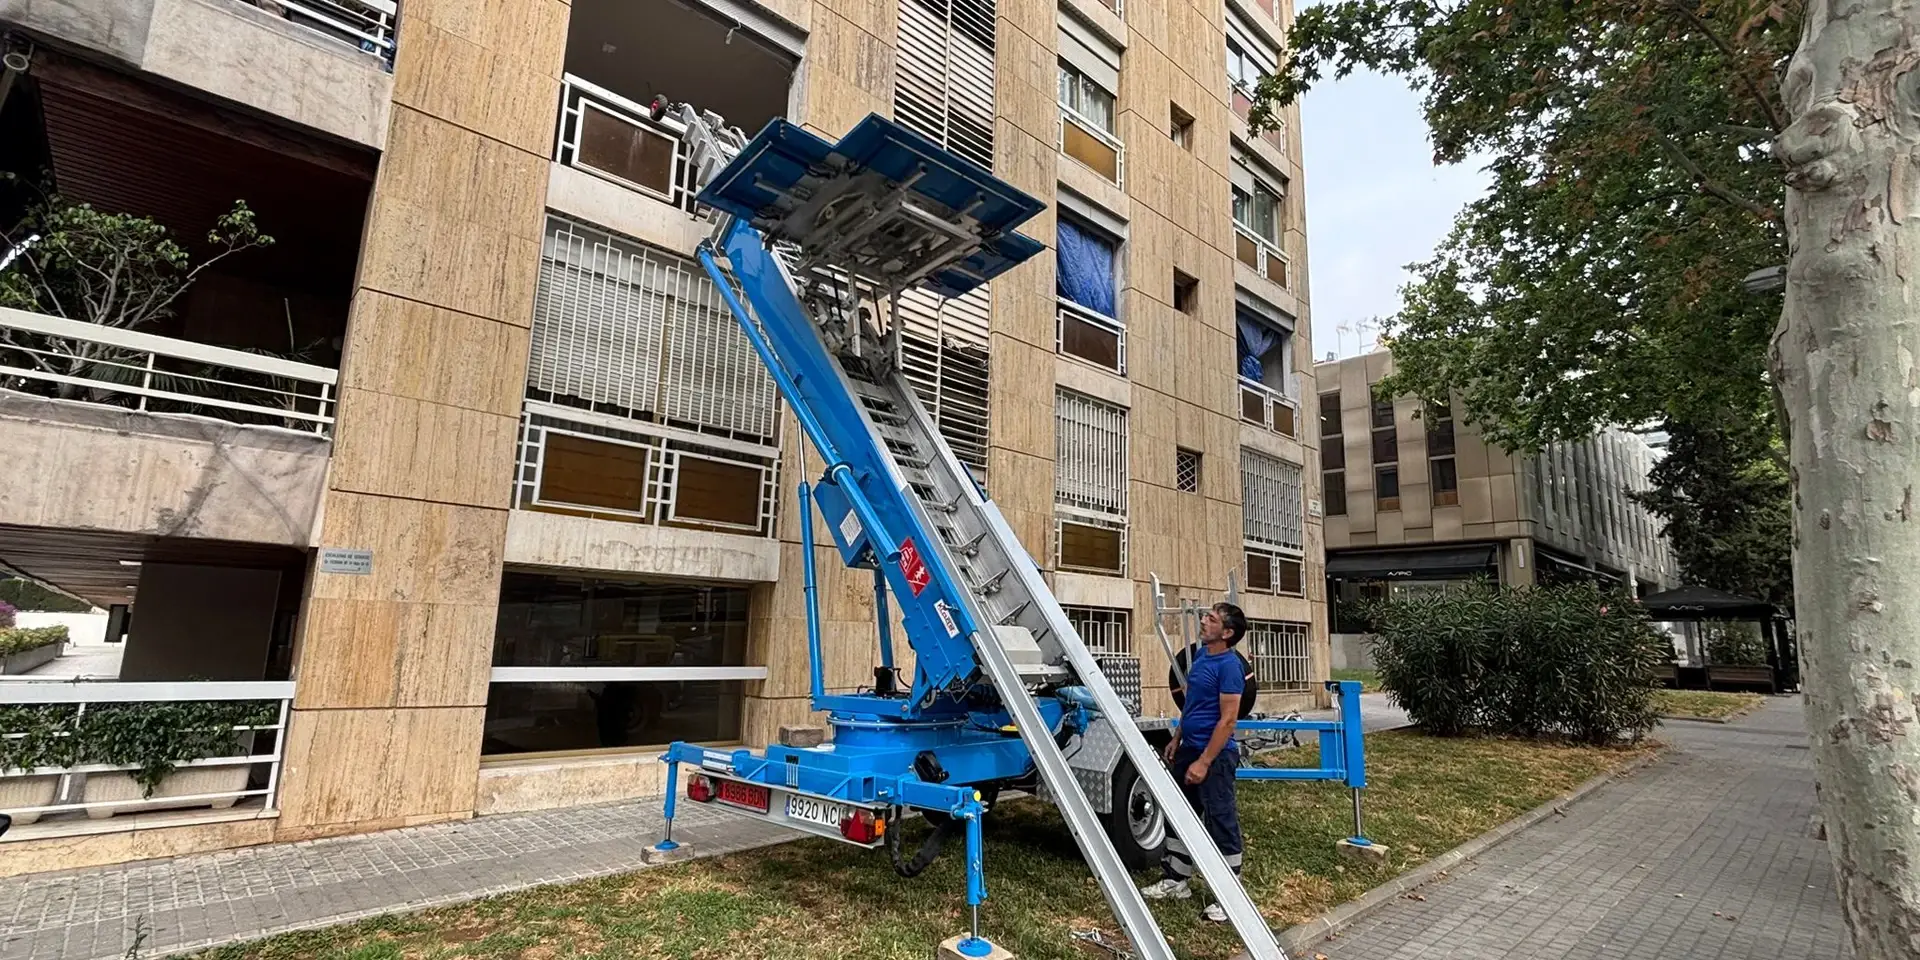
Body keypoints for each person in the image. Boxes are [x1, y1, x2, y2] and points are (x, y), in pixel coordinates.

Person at [1140, 602, 1249, 922]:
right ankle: (1177, 879)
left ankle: (1231, 895)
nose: (1203, 621)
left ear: (1227, 633)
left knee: (1220, 819)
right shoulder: (1202, 656)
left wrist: (1204, 760)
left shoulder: (1229, 667)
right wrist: (1177, 737)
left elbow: (1228, 720)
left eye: (1211, 619)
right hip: (1189, 747)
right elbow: (1193, 703)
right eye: (1206, 616)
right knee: (1180, 814)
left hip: (1214, 756)